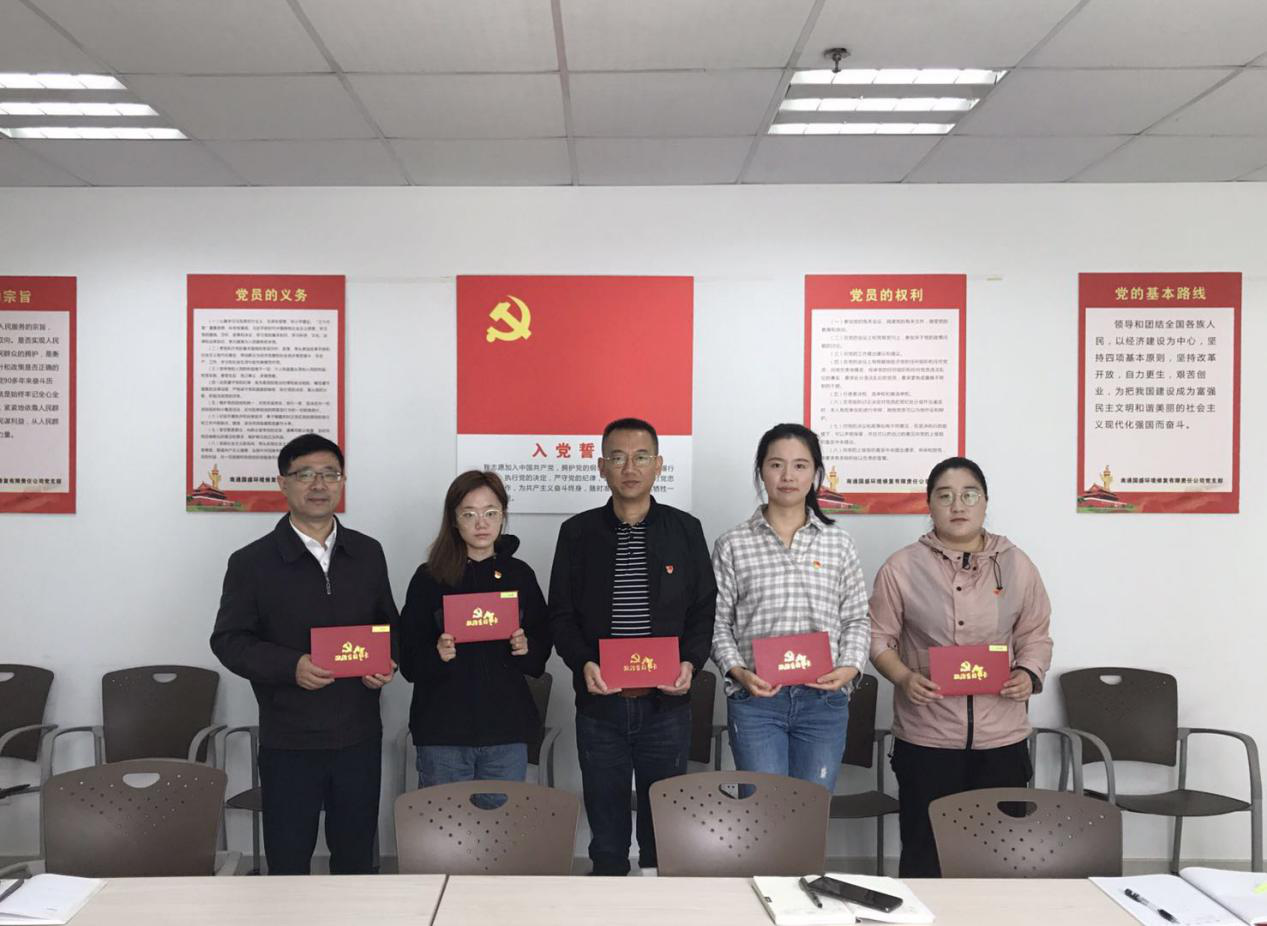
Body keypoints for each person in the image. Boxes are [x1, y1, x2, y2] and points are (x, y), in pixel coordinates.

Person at [210, 433, 397, 875]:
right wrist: (290, 666)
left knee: (356, 860)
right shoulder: (252, 562)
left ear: (342, 481)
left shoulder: (367, 553)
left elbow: (389, 625)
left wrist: (387, 661)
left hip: (358, 735)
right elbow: (229, 640)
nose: (319, 484)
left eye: (330, 474)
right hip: (290, 739)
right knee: (289, 863)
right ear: (283, 483)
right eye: (306, 474)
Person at [869, 456, 1053, 877]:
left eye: (969, 495)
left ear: (985, 502)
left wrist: (1028, 673)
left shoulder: (1016, 564)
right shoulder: (902, 566)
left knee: (999, 856)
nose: (958, 505)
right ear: (929, 505)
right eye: (945, 496)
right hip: (927, 737)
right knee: (925, 852)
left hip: (1001, 738)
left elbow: (1035, 632)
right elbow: (879, 637)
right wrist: (904, 677)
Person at [548, 417, 716, 876]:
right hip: (601, 705)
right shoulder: (577, 533)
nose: (629, 467)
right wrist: (583, 662)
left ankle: (659, 907)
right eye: (618, 457)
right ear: (601, 466)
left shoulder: (684, 530)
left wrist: (690, 662)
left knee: (664, 835)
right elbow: (560, 613)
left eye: (641, 457)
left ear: (658, 465)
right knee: (607, 837)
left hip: (666, 707)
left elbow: (704, 608)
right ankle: (609, 899)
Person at [711, 423, 869, 792]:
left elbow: (856, 618)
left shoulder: (838, 543)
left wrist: (849, 667)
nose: (788, 476)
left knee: (812, 809)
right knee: (764, 809)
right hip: (756, 700)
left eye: (800, 465)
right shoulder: (732, 543)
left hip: (823, 701)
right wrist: (738, 672)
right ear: (761, 471)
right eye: (776, 464)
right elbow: (718, 623)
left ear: (815, 474)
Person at [398, 470, 550, 797]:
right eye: (469, 514)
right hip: (443, 732)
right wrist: (436, 654)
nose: (481, 523)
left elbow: (540, 654)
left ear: (502, 516)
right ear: (454, 520)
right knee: (445, 827)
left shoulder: (519, 575)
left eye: (490, 513)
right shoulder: (429, 578)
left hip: (506, 731)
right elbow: (407, 661)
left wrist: (525, 648)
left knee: (500, 827)